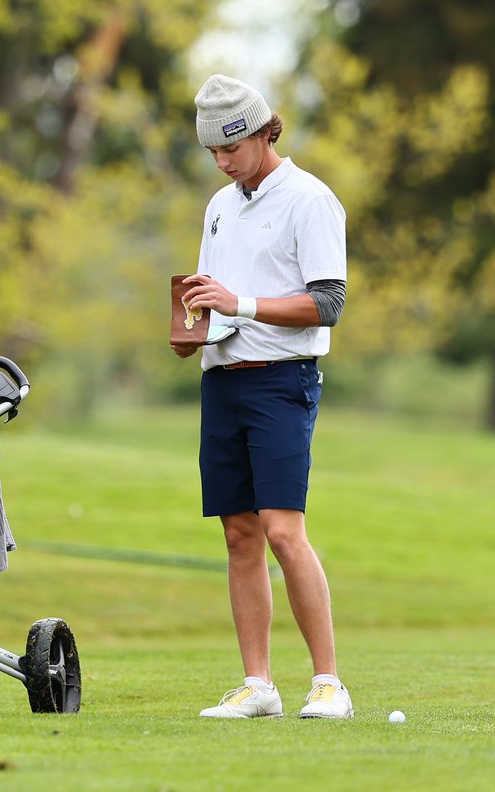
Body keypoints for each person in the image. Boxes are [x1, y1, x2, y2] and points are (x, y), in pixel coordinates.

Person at [173, 74, 351, 720]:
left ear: (263, 131)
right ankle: (259, 685)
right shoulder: (221, 206)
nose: (222, 163)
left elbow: (327, 304)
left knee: (282, 530)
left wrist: (239, 305)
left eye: (231, 149)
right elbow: (216, 297)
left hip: (282, 382)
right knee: (239, 534)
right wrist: (192, 331)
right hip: (222, 380)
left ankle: (329, 683)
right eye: (213, 154)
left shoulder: (310, 200)